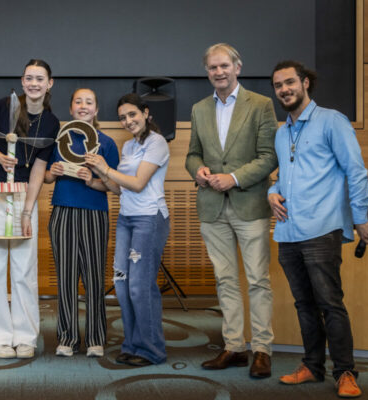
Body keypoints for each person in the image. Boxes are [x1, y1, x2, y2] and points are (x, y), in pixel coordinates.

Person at [269, 60, 368, 398]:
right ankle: (312, 366)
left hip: (321, 228)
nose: (284, 90)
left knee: (330, 303)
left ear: (305, 83)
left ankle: (345, 372)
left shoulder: (332, 121)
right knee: (304, 304)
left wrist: (361, 217)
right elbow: (283, 177)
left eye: (289, 82)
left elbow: (355, 171)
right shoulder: (281, 132)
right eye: (278, 85)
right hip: (288, 231)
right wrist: (272, 192)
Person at [185, 43, 278, 378]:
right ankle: (235, 347)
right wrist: (197, 170)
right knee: (225, 280)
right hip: (212, 207)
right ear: (207, 72)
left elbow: (269, 156)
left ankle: (262, 349)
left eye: (224, 65)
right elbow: (192, 154)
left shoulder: (261, 105)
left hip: (250, 204)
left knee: (257, 280)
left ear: (238, 67)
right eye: (213, 67)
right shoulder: (199, 109)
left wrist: (234, 178)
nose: (219, 72)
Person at [0, 59, 59, 359]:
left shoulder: (51, 122)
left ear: (49, 84)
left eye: (40, 79)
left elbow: (38, 168)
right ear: (22, 82)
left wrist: (27, 211)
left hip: (24, 193)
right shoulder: (3, 106)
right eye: (29, 78)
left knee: (24, 267)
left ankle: (26, 337)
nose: (34, 83)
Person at [85, 93, 170, 367]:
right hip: (126, 219)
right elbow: (120, 188)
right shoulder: (129, 146)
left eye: (132, 114)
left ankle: (151, 350)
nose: (128, 121)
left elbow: (138, 183)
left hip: (149, 219)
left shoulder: (157, 142)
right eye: (123, 117)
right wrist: (95, 178)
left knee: (139, 287)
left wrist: (105, 168)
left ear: (145, 113)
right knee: (122, 284)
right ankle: (132, 344)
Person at [44, 88, 119, 358]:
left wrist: (92, 180)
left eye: (89, 102)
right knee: (65, 277)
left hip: (94, 213)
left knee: (94, 277)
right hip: (63, 211)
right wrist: (52, 172)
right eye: (78, 101)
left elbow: (114, 186)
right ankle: (67, 338)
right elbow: (45, 178)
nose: (83, 106)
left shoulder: (106, 143)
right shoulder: (58, 140)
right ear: (71, 108)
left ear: (96, 110)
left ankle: (96, 338)